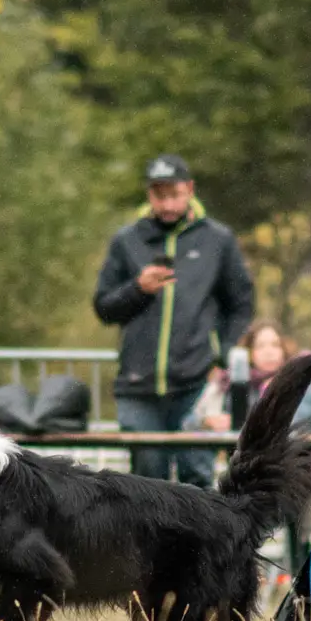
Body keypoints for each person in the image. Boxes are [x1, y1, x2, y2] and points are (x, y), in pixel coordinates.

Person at [93, 154, 255, 487]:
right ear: (149, 195)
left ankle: (196, 542)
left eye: (174, 194)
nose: (167, 203)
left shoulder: (217, 240)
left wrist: (221, 355)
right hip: (139, 386)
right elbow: (104, 307)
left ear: (190, 190)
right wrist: (137, 289)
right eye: (158, 194)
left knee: (196, 476)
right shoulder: (127, 240)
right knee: (147, 483)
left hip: (196, 385)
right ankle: (148, 541)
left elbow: (241, 304)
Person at [196, 320, 311, 434]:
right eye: (260, 346)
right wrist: (208, 421)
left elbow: (294, 422)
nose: (269, 352)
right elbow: (190, 421)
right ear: (250, 353)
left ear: (284, 349)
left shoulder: (302, 379)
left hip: (291, 453)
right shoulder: (231, 381)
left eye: (275, 345)